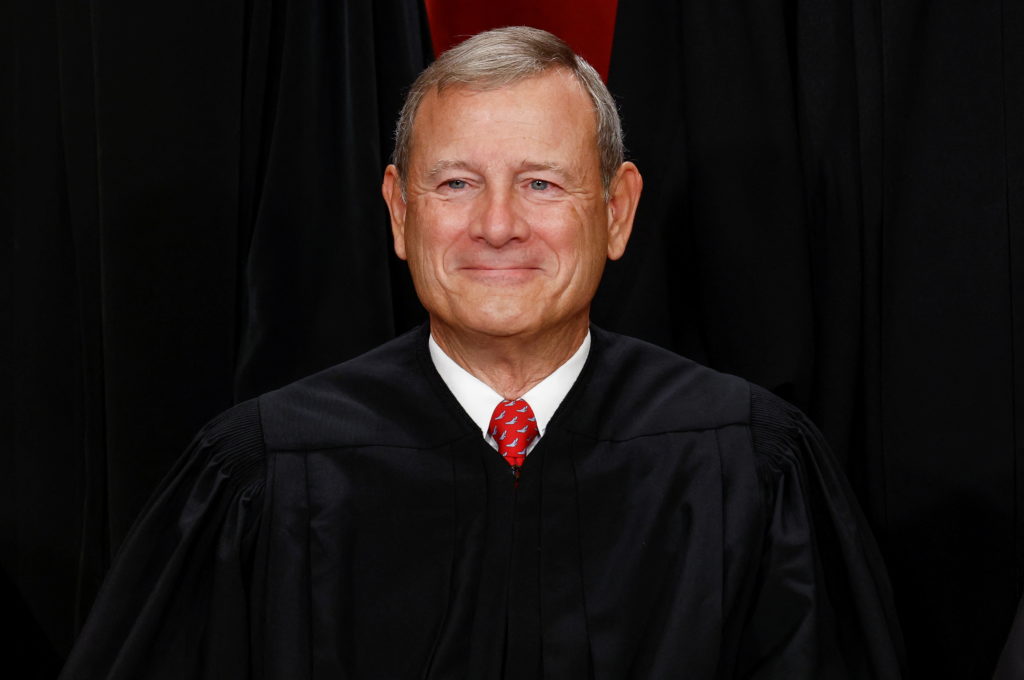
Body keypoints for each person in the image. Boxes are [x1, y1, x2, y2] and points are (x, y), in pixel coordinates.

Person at [60, 26, 904, 679]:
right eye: (455, 183)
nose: (497, 225)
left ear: (617, 211)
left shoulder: (748, 467)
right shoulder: (264, 474)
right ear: (398, 212)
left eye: (541, 183)